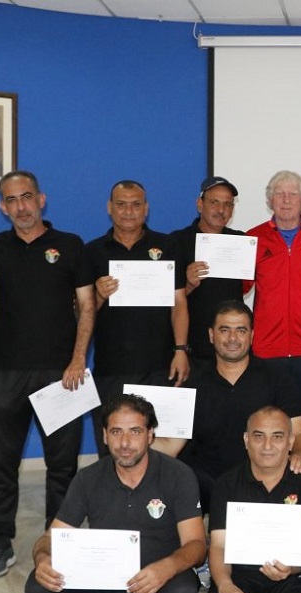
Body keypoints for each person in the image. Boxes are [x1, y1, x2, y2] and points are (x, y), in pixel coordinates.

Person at [22, 394, 205, 593]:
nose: (125, 442)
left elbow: (197, 545)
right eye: (116, 431)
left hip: (157, 588)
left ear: (150, 435)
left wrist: (167, 567)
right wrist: (42, 558)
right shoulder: (87, 478)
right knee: (39, 586)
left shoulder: (178, 475)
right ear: (105, 436)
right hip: (101, 588)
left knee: (183, 591)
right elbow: (50, 537)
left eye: (135, 431)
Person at [0, 170, 96, 579]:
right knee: (0, 464)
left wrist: (78, 359)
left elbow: (87, 305)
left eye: (27, 197)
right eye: (12, 200)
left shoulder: (70, 245)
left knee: (62, 465)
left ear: (41, 199)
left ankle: (58, 540)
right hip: (6, 373)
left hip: (61, 373)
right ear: (3, 207)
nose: (21, 207)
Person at [157, 301, 301, 512]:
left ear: (252, 335)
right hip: (205, 487)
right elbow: (171, 446)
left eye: (241, 330)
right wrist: (132, 436)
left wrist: (299, 456)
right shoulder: (192, 383)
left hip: (263, 484)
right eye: (224, 330)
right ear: (211, 335)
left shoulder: (277, 378)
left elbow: (300, 433)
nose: (232, 338)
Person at [194, 405, 301, 593]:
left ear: (291, 441)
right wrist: (225, 587)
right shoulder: (227, 484)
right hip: (240, 581)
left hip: (292, 585)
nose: (267, 446)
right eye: (258, 436)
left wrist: (294, 568)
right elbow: (218, 546)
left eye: (277, 436)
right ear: (246, 440)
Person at [86, 180, 189, 455]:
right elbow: (80, 314)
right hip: (111, 369)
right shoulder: (92, 251)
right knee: (114, 451)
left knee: (163, 452)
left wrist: (181, 349)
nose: (128, 211)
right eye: (121, 204)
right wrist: (98, 295)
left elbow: (179, 302)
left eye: (135, 205)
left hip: (160, 367)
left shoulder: (167, 245)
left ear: (146, 208)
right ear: (109, 208)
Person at [247, 170, 301, 410]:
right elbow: (238, 288)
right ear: (270, 200)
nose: (286, 200)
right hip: (267, 349)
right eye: (279, 194)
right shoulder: (252, 238)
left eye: (293, 194)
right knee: (269, 420)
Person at [171, 176, 246, 363]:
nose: (221, 210)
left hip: (232, 347)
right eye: (214, 202)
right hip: (192, 349)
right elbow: (162, 301)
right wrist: (188, 284)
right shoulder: (176, 242)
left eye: (227, 204)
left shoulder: (241, 242)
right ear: (199, 204)